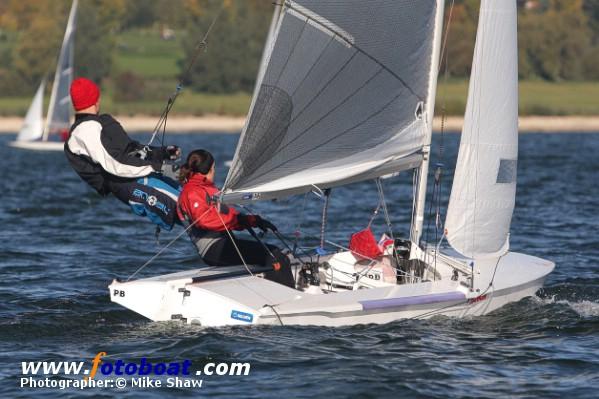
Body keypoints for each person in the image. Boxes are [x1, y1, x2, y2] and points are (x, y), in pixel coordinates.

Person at [64, 77, 181, 230]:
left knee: (190, 191)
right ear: (96, 99)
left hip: (142, 175)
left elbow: (132, 151)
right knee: (185, 207)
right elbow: (116, 164)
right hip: (129, 184)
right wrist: (160, 168)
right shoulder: (84, 131)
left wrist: (162, 153)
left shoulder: (103, 122)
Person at [177, 149, 295, 288]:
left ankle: (271, 291)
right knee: (274, 255)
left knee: (274, 254)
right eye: (214, 168)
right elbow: (205, 221)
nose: (214, 172)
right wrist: (238, 221)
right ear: (209, 169)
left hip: (223, 244)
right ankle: (284, 298)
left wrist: (253, 221)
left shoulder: (206, 189)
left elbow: (228, 214)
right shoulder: (192, 192)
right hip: (212, 249)